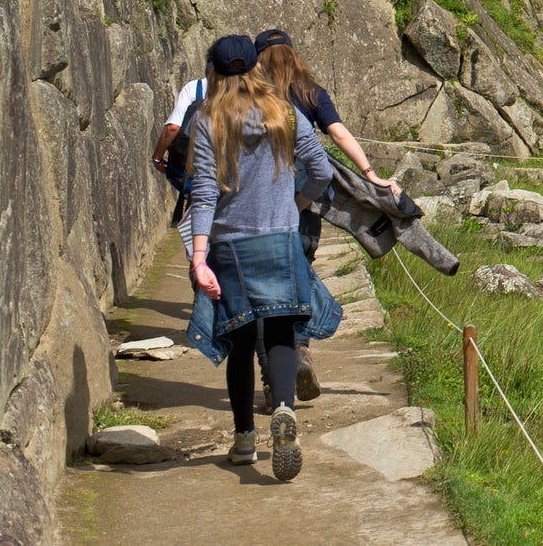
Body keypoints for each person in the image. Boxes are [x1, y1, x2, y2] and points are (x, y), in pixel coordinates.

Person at [186, 39, 338, 481]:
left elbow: (204, 194)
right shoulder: (285, 113)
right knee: (280, 330)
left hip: (231, 245)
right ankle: (285, 407)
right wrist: (297, 203)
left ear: (213, 72)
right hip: (281, 239)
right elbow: (323, 170)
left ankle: (245, 437)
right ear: (255, 70)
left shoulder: (207, 120)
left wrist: (199, 260)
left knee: (238, 341)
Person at [253, 28, 398, 404]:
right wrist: (371, 174)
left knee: (261, 285)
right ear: (293, 55)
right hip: (304, 198)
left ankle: (273, 379)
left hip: (258, 200)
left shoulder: (250, 96)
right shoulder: (310, 93)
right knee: (298, 269)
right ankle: (299, 347)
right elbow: (338, 133)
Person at [151, 36, 256, 261]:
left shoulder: (195, 89)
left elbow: (172, 128)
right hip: (243, 186)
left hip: (201, 176)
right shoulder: (264, 101)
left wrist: (158, 157)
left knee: (201, 215)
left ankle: (199, 268)